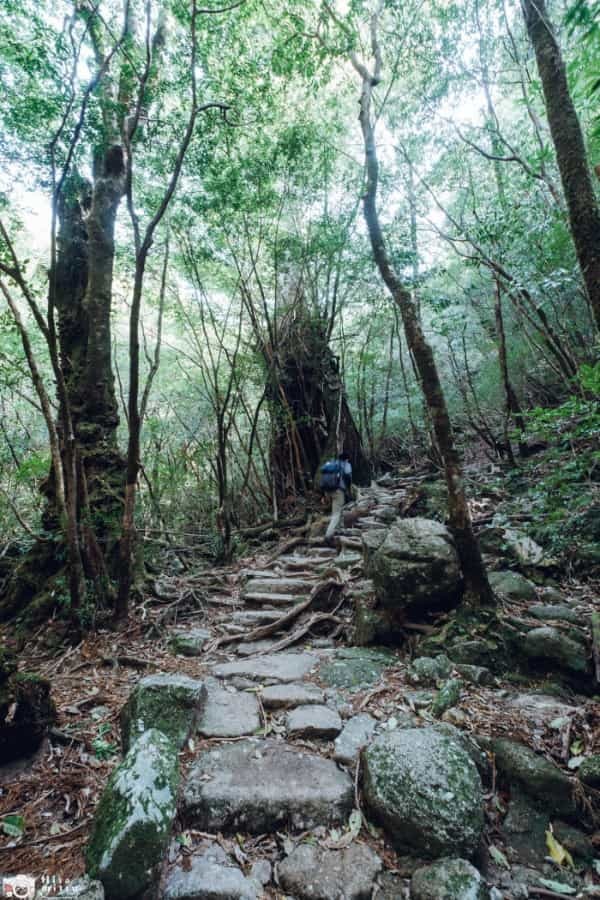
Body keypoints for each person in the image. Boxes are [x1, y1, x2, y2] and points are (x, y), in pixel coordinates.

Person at [324, 452, 352, 541]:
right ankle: (328, 536)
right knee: (336, 514)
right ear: (346, 459)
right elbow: (348, 477)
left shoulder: (331, 463)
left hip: (328, 490)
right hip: (338, 491)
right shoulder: (346, 464)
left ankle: (339, 530)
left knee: (337, 510)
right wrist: (348, 489)